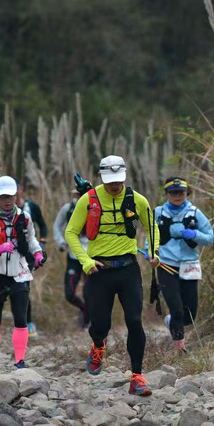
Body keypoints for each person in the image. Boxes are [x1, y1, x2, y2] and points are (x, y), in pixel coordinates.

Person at [64, 155, 161, 396]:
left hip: (129, 269)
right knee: (100, 325)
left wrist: (154, 251)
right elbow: (71, 233)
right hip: (99, 271)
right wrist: (85, 261)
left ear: (125, 176)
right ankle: (98, 346)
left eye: (118, 180)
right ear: (100, 177)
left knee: (134, 320)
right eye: (110, 181)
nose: (115, 185)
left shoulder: (137, 200)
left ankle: (137, 376)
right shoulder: (88, 200)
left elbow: (152, 227)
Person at [0, 175, 46, 370]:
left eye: (10, 196)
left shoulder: (25, 217)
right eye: (2, 197)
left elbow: (31, 239)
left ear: (16, 196)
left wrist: (38, 254)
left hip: (19, 273)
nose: (7, 201)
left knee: (21, 317)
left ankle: (19, 360)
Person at [154, 176, 214, 352]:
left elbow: (210, 238)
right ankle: (180, 349)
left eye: (181, 192)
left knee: (189, 315)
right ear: (166, 193)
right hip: (165, 264)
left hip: (189, 265)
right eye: (173, 192)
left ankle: (170, 321)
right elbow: (151, 237)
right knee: (177, 309)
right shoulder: (158, 213)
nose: (177, 196)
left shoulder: (195, 213)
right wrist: (151, 254)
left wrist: (195, 235)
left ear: (186, 192)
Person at [53, 189, 89, 328]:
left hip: (91, 256)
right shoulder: (68, 209)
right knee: (69, 293)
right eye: (80, 194)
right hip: (73, 255)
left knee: (89, 292)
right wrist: (61, 242)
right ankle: (83, 308)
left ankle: (87, 322)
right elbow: (57, 226)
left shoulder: (96, 208)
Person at [17, 186, 48, 338]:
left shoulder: (31, 207)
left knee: (23, 288)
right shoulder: (1, 211)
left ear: (20, 190)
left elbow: (42, 225)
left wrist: (41, 244)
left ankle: (28, 325)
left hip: (28, 254)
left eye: (16, 190)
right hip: (8, 254)